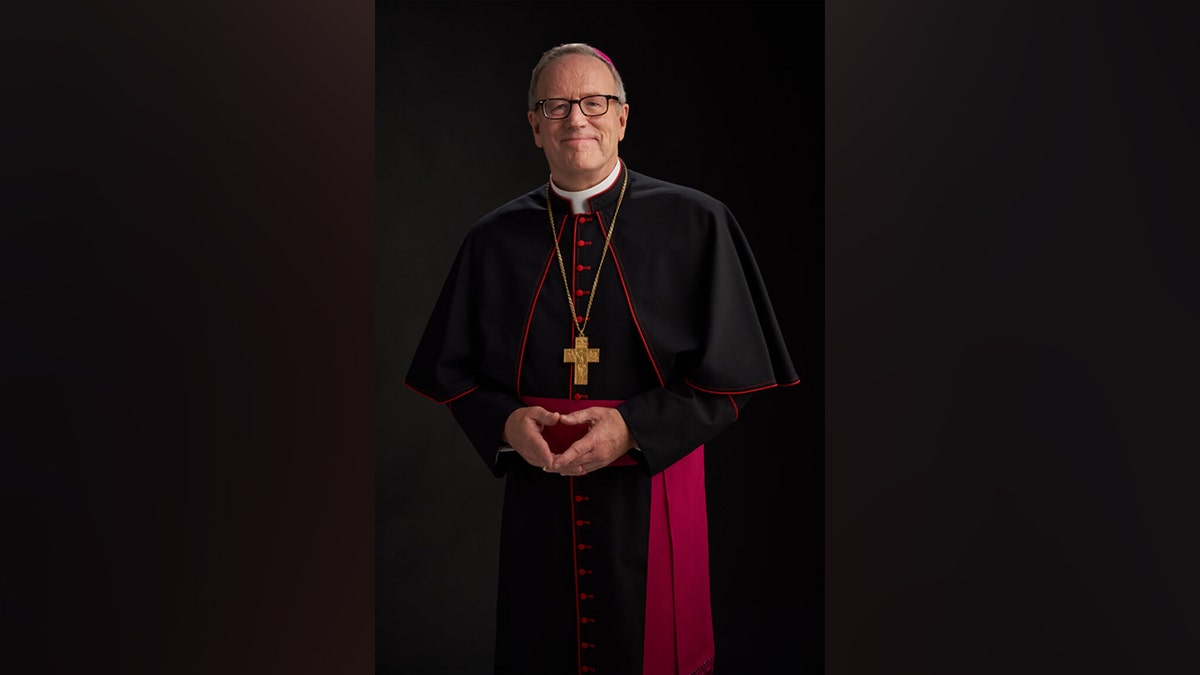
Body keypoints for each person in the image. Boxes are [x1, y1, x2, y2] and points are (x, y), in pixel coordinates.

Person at [405, 42, 798, 675]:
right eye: (555, 105)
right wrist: (506, 424)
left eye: (594, 102)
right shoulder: (493, 239)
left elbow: (734, 379)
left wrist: (633, 429)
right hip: (541, 493)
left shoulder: (698, 222)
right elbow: (452, 374)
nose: (576, 119)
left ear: (622, 117)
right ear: (534, 126)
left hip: (653, 489)